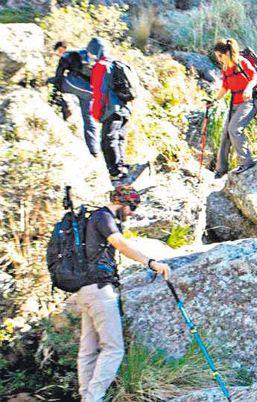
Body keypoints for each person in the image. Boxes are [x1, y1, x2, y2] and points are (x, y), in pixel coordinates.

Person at [77, 185, 170, 402]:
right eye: (132, 206)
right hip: (100, 290)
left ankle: (86, 397)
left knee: (88, 349)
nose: (133, 212)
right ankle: (93, 398)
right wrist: (150, 262)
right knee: (114, 349)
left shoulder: (93, 218)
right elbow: (119, 243)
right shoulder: (104, 217)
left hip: (85, 289)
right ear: (121, 203)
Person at [206, 38, 257, 178]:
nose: (218, 59)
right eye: (217, 56)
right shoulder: (225, 68)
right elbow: (225, 87)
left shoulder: (241, 62)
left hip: (248, 103)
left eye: (220, 55)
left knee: (234, 129)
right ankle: (221, 169)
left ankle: (247, 161)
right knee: (226, 134)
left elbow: (255, 77)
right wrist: (214, 101)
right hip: (234, 104)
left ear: (228, 53)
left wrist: (248, 89)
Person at [87, 37, 131, 185]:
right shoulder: (117, 63)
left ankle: (115, 174)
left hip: (112, 109)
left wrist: (96, 112)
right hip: (125, 109)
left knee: (108, 141)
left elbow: (99, 92)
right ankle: (122, 169)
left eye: (91, 53)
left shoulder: (101, 66)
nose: (90, 56)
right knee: (119, 139)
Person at [49, 41, 100, 156]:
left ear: (62, 48)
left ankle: (62, 108)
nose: (58, 54)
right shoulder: (84, 54)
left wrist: (56, 88)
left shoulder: (68, 55)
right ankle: (94, 150)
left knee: (50, 83)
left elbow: (59, 74)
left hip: (75, 84)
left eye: (58, 52)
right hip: (90, 91)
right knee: (89, 119)